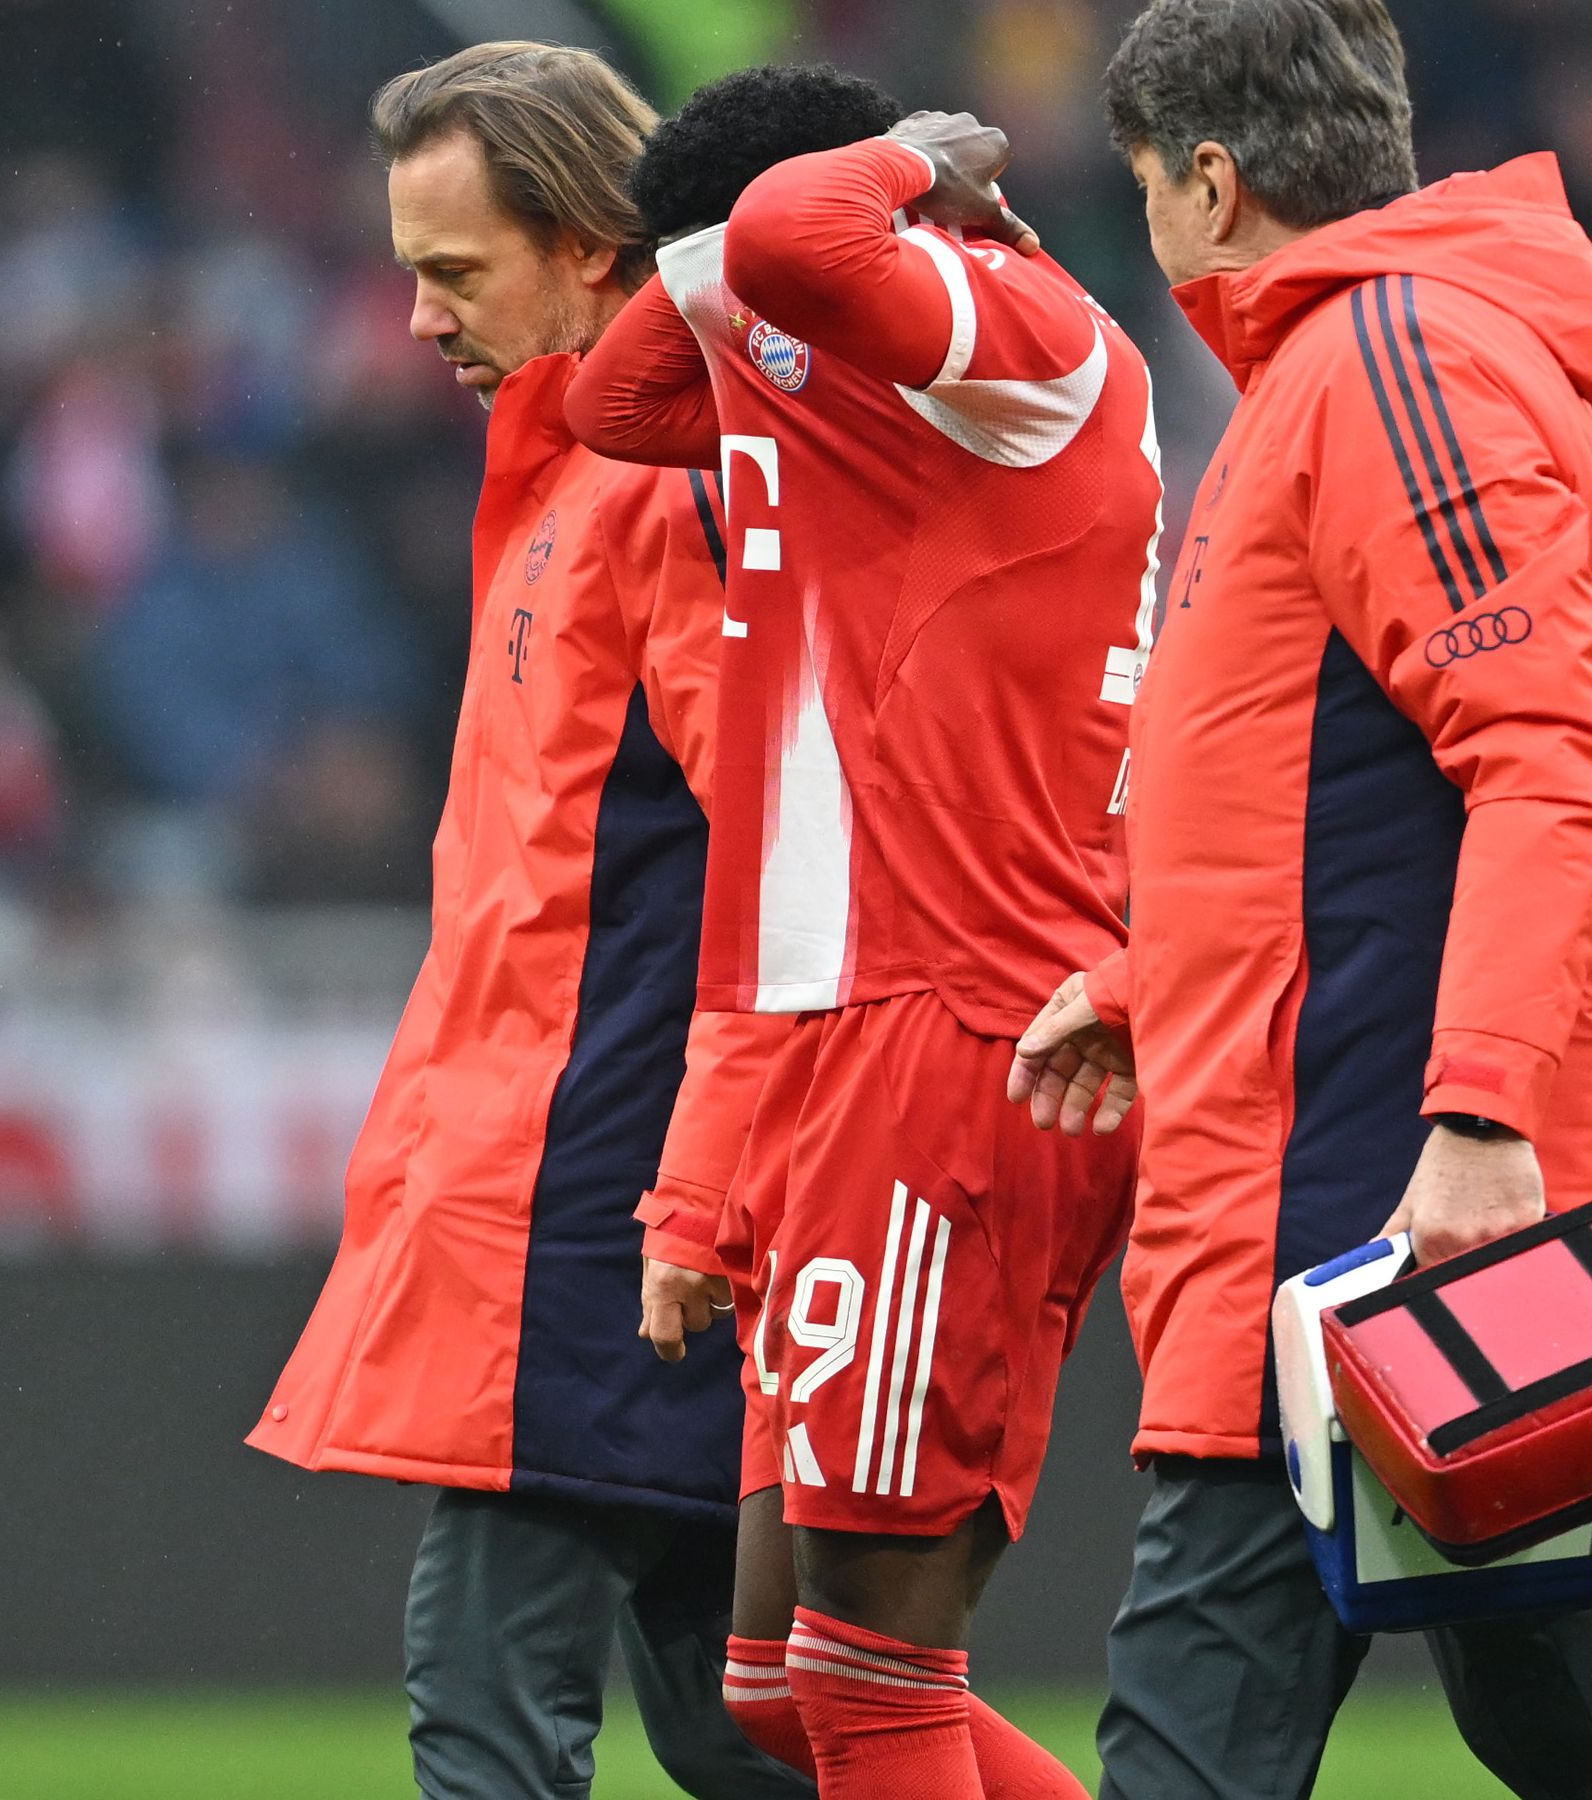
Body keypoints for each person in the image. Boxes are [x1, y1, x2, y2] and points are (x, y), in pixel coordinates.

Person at [1006, 3, 1592, 1796]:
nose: (1150, 224)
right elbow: (1354, 803)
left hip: (1365, 1223)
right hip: (1376, 1186)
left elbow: (1552, 757)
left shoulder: (1382, 360)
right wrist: (1149, 984)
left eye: (1147, 184)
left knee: (1195, 1741)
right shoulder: (1367, 364)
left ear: (1214, 182)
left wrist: (1482, 1115)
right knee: (1571, 1711)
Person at [570, 64, 1159, 1799]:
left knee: (871, 1671)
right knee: (776, 1687)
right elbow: (613, 399)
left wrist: (907, 159)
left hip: (968, 1028)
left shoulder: (1022, 335)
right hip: (856, 1034)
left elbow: (787, 238)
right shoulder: (847, 387)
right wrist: (720, 262)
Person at [241, 43, 808, 1800]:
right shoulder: (576, 473)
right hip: (593, 1194)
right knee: (754, 1731)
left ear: (588, 248)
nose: (419, 318)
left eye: (453, 272)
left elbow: (777, 864)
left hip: (607, 1210)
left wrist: (700, 1189)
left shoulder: (670, 486)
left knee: (490, 1705)